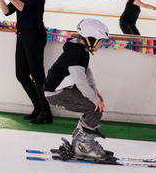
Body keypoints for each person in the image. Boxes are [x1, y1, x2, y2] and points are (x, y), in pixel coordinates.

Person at [0, 0, 52, 124]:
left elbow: (26, 8)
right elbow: (7, 12)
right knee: (21, 74)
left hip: (35, 34)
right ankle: (38, 107)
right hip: (22, 34)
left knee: (37, 74)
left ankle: (46, 111)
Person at [43, 18, 110, 160]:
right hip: (57, 94)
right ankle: (83, 146)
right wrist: (94, 99)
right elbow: (80, 81)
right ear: (91, 39)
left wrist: (94, 90)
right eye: (101, 41)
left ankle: (79, 141)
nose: (102, 44)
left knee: (93, 106)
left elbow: (87, 71)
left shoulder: (80, 49)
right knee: (95, 108)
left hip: (62, 90)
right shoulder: (77, 54)